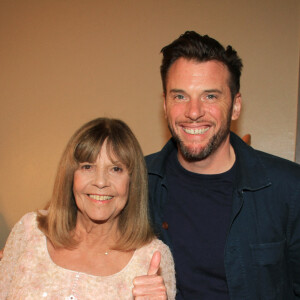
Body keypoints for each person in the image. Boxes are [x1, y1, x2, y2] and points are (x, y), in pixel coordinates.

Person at [142, 31, 300, 299]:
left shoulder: (290, 188)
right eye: (180, 96)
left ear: (235, 106)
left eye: (210, 97)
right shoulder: (137, 182)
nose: (193, 112)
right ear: (166, 105)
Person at [0, 118, 176, 299]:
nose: (100, 182)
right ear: (70, 176)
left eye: (115, 169)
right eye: (87, 167)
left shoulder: (153, 257)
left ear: (132, 181)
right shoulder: (30, 230)